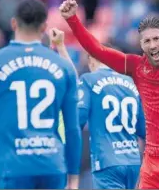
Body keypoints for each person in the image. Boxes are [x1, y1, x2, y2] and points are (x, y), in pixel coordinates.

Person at [59, 0, 159, 189]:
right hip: (153, 160)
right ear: (141, 44)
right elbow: (97, 50)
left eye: (157, 39)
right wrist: (72, 20)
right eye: (147, 41)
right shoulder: (136, 67)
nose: (153, 45)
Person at [0, 0, 82, 189]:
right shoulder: (64, 67)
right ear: (44, 27)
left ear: (13, 23)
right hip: (52, 166)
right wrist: (74, 180)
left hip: (11, 167)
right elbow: (72, 128)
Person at [50, 28, 146, 189]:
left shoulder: (90, 80)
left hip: (107, 162)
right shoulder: (130, 83)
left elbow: (78, 120)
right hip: (133, 162)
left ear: (91, 60)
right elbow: (143, 130)